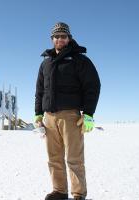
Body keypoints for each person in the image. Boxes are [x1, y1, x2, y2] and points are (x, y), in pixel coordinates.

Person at [34, 22, 101, 200]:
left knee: (74, 159)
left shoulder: (80, 60)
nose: (59, 39)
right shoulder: (45, 63)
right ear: (52, 39)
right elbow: (40, 90)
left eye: (63, 36)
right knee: (54, 158)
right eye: (56, 36)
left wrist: (88, 113)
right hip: (49, 117)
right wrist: (38, 114)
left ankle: (78, 194)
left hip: (71, 116)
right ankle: (59, 191)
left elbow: (92, 86)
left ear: (69, 38)